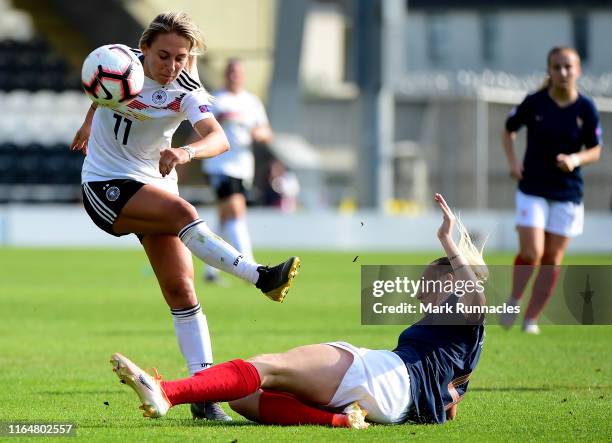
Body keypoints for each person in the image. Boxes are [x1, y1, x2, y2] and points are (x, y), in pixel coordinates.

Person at [70, 11, 300, 421]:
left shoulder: (186, 89)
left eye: (181, 57)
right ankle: (261, 276)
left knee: (183, 292)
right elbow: (100, 89)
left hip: (152, 188)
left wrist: (185, 151)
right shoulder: (117, 62)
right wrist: (89, 124)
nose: (171, 65)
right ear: (143, 50)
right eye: (163, 56)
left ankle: (204, 399)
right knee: (183, 211)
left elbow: (219, 137)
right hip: (106, 185)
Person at [110, 194, 488, 427]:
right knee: (242, 397)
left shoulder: (466, 313)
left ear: (450, 277)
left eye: (427, 282)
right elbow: (449, 404)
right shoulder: (456, 342)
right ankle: (339, 420)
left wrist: (446, 241)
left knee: (267, 366)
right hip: (391, 399)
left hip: (385, 378)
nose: (421, 293)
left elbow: (476, 295)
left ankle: (166, 392)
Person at [501, 46, 602, 334]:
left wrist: (575, 159)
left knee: (552, 259)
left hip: (567, 193)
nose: (563, 72)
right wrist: (513, 162)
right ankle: (514, 299)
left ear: (578, 70)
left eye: (568, 67)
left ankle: (531, 318)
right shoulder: (535, 103)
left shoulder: (586, 108)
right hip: (532, 187)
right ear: (549, 71)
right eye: (557, 67)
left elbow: (596, 149)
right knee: (532, 252)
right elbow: (508, 129)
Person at [201, 58, 273, 283]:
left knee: (224, 220)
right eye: (231, 72)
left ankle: (210, 271)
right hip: (219, 165)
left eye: (238, 72)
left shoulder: (252, 102)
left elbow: (266, 132)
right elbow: (200, 129)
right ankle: (250, 268)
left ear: (243, 76)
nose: (234, 76)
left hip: (243, 167)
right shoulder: (216, 100)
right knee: (236, 210)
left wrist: (255, 134)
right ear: (225, 74)